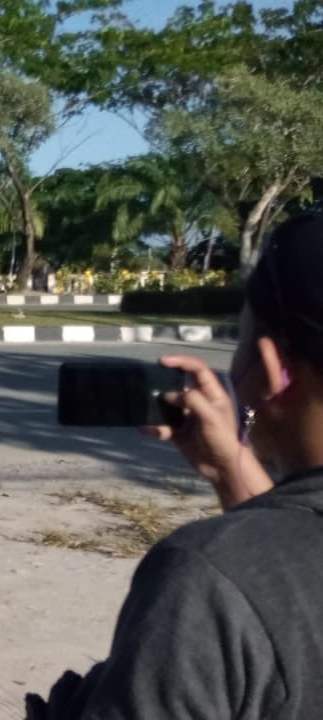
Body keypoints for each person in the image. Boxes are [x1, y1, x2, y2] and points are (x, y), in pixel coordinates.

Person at [28, 212, 323, 719]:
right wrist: (232, 467)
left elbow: (277, 580)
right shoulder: (249, 575)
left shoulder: (209, 579)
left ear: (275, 366)